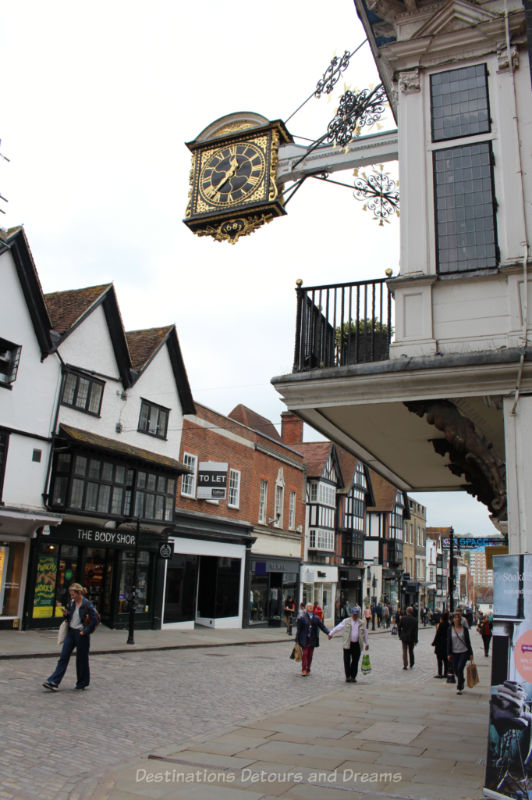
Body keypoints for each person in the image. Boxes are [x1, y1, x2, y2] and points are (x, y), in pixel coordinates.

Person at [42, 583, 98, 691]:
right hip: (71, 632)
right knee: (63, 657)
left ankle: (82, 682)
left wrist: (85, 631)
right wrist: (66, 614)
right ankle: (53, 681)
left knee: (81, 659)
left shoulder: (87, 604)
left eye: (73, 595)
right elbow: (70, 618)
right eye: (71, 595)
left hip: (81, 634)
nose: (72, 597)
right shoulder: (71, 603)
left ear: (79, 593)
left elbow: (94, 620)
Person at [328, 605, 369, 682]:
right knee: (346, 660)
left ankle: (353, 676)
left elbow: (365, 633)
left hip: (357, 644)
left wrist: (366, 643)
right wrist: (331, 633)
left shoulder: (362, 623)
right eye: (353, 614)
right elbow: (338, 627)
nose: (354, 616)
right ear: (351, 614)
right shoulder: (346, 621)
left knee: (355, 661)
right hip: (347, 643)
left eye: (356, 614)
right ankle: (347, 676)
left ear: (358, 614)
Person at [295, 602, 330, 677]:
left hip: (312, 639)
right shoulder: (302, 617)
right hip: (304, 638)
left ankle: (308, 668)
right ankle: (303, 669)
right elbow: (299, 629)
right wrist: (297, 639)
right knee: (305, 654)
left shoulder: (316, 618)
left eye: (311, 607)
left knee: (310, 655)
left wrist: (329, 633)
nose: (310, 608)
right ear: (306, 608)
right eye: (309, 607)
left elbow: (322, 627)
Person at [447, 609, 474, 695]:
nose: (457, 619)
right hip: (454, 652)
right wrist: (448, 653)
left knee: (460, 668)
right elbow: (448, 642)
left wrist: (471, 653)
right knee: (455, 670)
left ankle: (459, 687)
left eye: (458, 617)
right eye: (455, 617)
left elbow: (468, 641)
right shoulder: (450, 629)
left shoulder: (464, 629)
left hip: (464, 652)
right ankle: (462, 680)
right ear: (453, 619)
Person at [431, 610, 449, 678]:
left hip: (440, 644)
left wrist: (433, 643)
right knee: (445, 660)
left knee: (439, 660)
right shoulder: (448, 625)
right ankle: (445, 672)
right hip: (446, 645)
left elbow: (437, 635)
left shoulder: (441, 625)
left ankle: (440, 673)